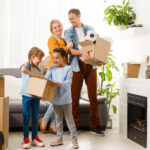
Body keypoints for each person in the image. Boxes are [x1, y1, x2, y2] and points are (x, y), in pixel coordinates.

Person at [64, 8, 104, 136]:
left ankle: (95, 126)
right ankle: (74, 126)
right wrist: (82, 52)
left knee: (93, 97)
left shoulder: (90, 28)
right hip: (77, 65)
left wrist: (99, 59)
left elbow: (97, 45)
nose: (71, 21)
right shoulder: (68, 31)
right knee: (74, 97)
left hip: (91, 66)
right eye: (69, 19)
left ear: (79, 16)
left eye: (72, 18)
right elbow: (70, 51)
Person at [38, 19, 73, 134]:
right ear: (52, 30)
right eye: (55, 27)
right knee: (56, 97)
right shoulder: (51, 39)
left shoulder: (62, 40)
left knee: (60, 97)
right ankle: (46, 120)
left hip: (63, 70)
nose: (58, 29)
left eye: (59, 26)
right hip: (54, 70)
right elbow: (56, 52)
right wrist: (67, 48)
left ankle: (52, 124)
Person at [45, 48, 79, 149]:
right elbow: (47, 79)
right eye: (54, 58)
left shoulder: (68, 68)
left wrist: (60, 83)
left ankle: (74, 140)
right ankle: (59, 139)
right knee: (58, 120)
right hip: (55, 98)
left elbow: (68, 82)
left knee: (69, 120)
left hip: (65, 98)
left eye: (58, 58)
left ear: (63, 57)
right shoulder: (51, 68)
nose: (55, 60)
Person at [20, 47, 45, 149]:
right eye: (39, 58)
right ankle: (26, 138)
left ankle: (34, 137)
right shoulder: (26, 65)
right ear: (33, 57)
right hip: (26, 96)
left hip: (36, 96)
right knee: (26, 117)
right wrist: (28, 72)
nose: (40, 61)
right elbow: (23, 69)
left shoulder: (39, 70)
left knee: (35, 117)